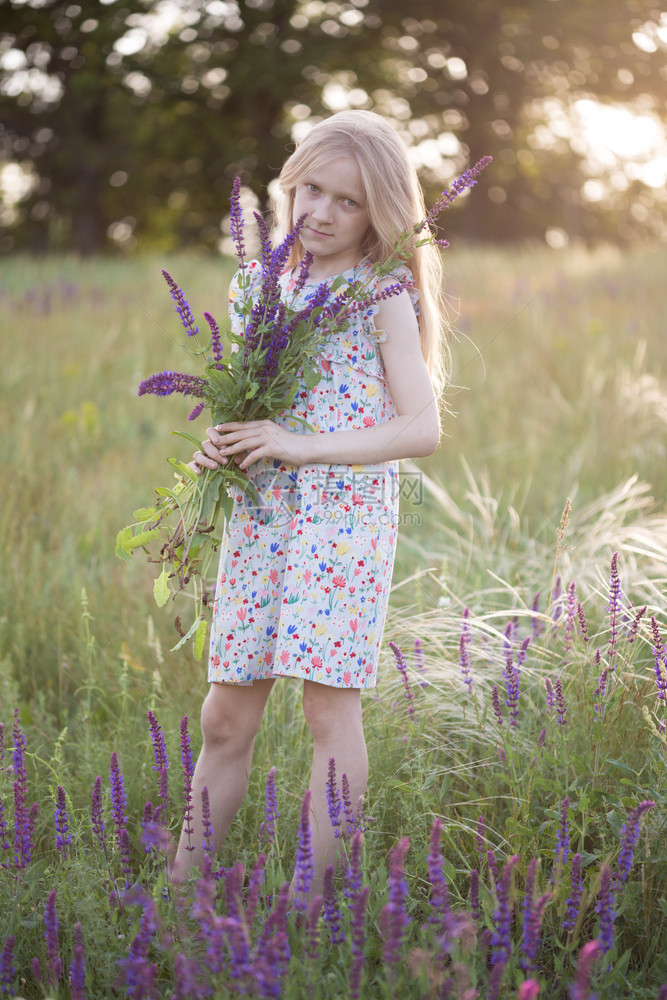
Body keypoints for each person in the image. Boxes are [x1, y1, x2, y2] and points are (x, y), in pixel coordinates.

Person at [170, 109, 446, 896]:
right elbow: (246, 400)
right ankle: (180, 901)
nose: (321, 214)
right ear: (289, 187)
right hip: (262, 520)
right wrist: (219, 447)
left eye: (348, 202)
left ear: (380, 213)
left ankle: (304, 909)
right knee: (225, 714)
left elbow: (421, 428)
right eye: (311, 191)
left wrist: (299, 444)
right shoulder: (256, 285)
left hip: (342, 525)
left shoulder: (380, 291)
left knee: (328, 717)